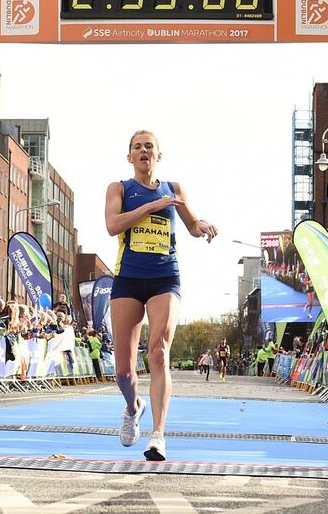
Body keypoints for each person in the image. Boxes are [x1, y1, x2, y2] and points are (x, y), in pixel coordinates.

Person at [104, 129, 217, 462]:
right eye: (137, 147)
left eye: (149, 147)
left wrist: (203, 226)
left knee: (159, 352)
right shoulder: (119, 189)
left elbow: (192, 224)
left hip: (165, 278)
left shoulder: (174, 189)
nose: (143, 151)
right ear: (129, 157)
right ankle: (132, 406)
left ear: (158, 155)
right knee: (123, 372)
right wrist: (153, 206)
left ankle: (158, 435)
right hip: (127, 280)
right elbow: (113, 225)